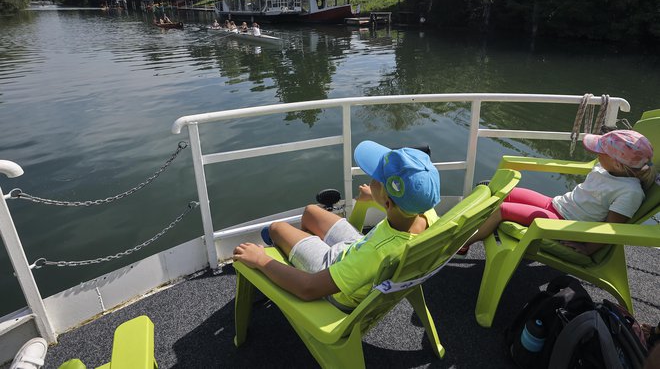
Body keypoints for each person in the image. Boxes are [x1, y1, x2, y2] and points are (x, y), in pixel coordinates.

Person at [233, 140, 441, 310]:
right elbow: (400, 212)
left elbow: (309, 288)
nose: (371, 177)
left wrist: (261, 261)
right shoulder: (426, 212)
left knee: (276, 228)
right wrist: (376, 198)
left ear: (387, 202)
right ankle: (300, 252)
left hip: (336, 278)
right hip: (359, 247)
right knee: (310, 212)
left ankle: (283, 266)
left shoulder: (375, 255)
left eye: (376, 178)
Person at [459, 129, 656, 256]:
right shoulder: (607, 168)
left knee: (502, 209)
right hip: (556, 204)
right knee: (506, 192)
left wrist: (587, 249)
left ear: (617, 163)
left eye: (600, 152)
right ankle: (466, 227)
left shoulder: (629, 192)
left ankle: (464, 244)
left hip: (563, 222)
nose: (596, 154)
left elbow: (611, 229)